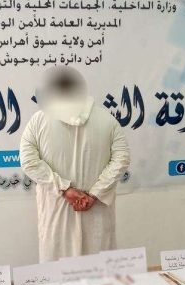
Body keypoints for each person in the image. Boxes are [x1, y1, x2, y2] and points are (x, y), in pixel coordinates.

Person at [20, 67, 130, 262]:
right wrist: (94, 193)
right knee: (98, 272)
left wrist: (64, 189)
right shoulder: (108, 120)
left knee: (56, 274)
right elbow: (122, 159)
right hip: (96, 212)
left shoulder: (38, 121)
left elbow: (28, 161)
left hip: (56, 214)